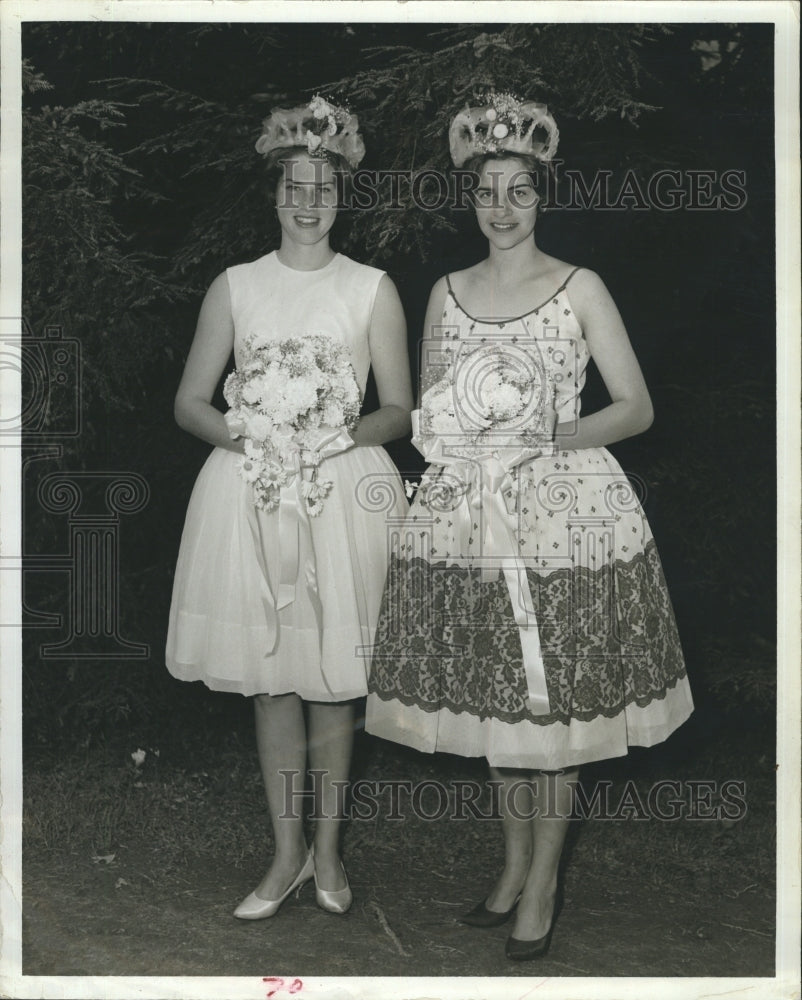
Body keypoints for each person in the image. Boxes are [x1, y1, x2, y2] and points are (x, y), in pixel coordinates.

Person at [366, 95, 693, 960]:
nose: (502, 207)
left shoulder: (580, 287)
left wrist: (545, 433)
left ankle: (544, 882)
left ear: (542, 196)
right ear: (470, 201)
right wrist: (463, 442)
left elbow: (636, 408)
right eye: (487, 193)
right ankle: (511, 867)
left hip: (565, 515)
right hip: (471, 514)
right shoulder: (445, 292)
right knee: (498, 700)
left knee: (554, 708)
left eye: (518, 190)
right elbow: (432, 414)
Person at [166, 96, 413, 919]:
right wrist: (257, 433)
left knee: (334, 684)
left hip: (338, 494)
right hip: (253, 493)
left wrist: (326, 437)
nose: (308, 203)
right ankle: (283, 854)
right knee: (274, 683)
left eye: (324, 190)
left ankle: (330, 854)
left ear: (343, 198)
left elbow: (398, 408)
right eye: (294, 188)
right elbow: (191, 403)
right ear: (274, 195)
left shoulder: (371, 289)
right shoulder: (235, 287)